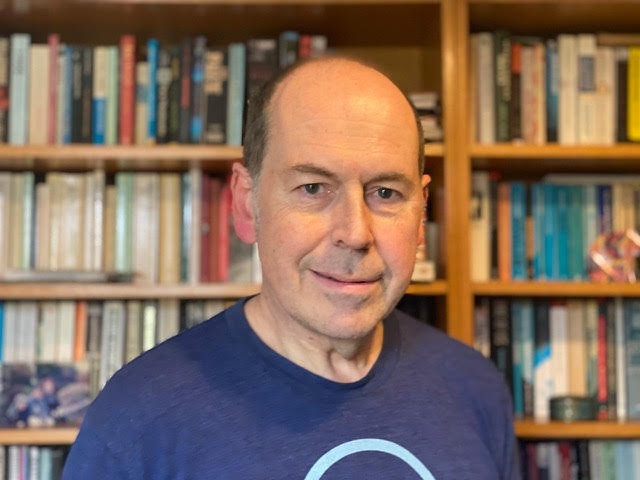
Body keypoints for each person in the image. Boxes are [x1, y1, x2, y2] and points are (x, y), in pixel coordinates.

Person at [62, 56, 519, 479]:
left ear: (421, 214)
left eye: (385, 193)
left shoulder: (475, 388)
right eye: (313, 187)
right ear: (246, 202)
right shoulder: (138, 418)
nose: (355, 233)